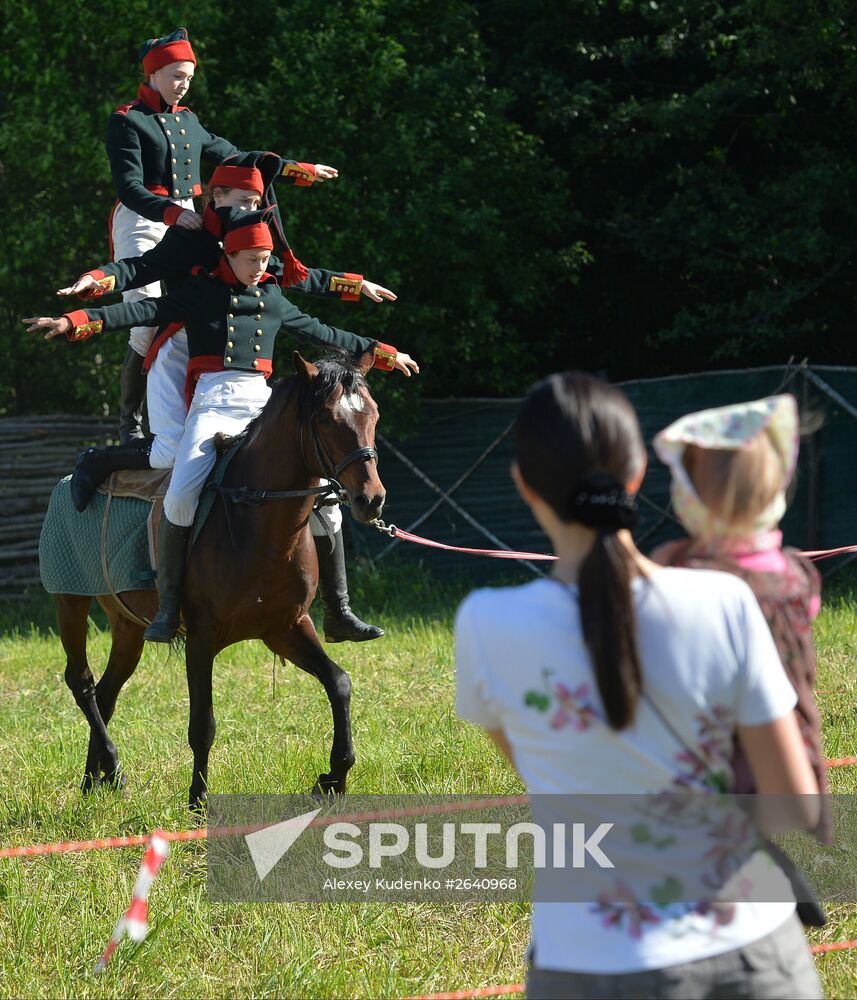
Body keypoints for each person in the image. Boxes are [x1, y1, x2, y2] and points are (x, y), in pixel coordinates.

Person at [455, 372, 822, 999]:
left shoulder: (486, 624)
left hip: (589, 966)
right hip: (756, 957)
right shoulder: (725, 601)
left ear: (522, 484)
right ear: (637, 477)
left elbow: (552, 780)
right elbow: (795, 804)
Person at [26, 215, 419, 644]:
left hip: (262, 405)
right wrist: (75, 321)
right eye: (252, 259)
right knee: (179, 495)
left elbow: (322, 332)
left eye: (266, 259)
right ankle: (169, 605)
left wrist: (384, 354)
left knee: (326, 500)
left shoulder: (272, 298)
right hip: (212, 405)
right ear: (228, 255)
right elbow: (142, 309)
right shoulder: (200, 294)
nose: (260, 267)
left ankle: (339, 611)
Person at [107, 27, 338, 443]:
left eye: (189, 78)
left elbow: (236, 158)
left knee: (193, 309)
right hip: (145, 218)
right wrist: (173, 214)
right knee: (145, 325)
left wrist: (295, 169)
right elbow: (129, 187)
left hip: (191, 216)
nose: (184, 85)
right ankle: (130, 424)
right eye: (177, 76)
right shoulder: (127, 121)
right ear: (154, 74)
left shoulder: (189, 121)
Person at [650, 394, 830, 841]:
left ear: (688, 496)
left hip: (724, 746)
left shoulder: (690, 579)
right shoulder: (797, 575)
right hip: (791, 735)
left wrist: (665, 562)